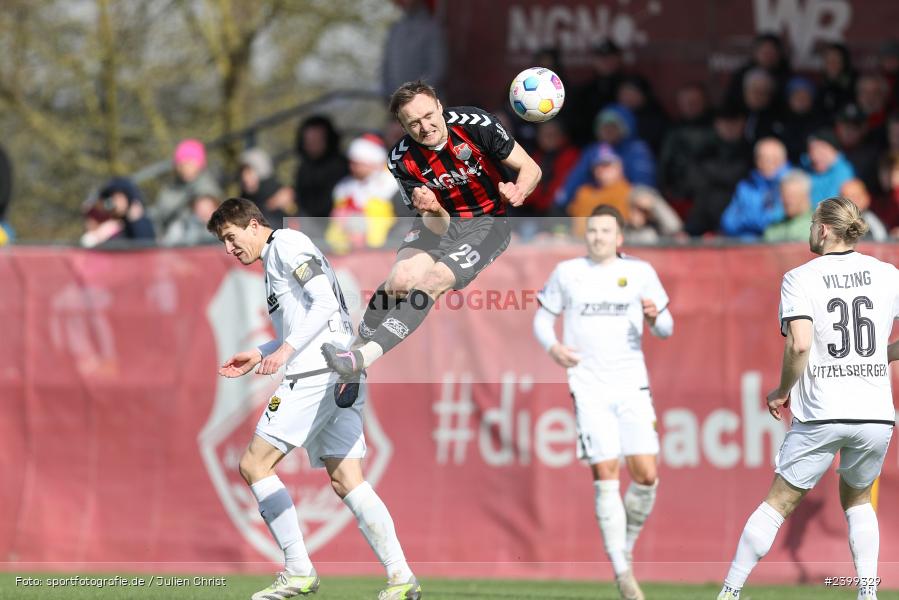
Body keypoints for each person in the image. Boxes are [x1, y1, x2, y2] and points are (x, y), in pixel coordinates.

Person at [207, 198, 421, 600]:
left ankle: (298, 570)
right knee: (346, 479)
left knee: (254, 464)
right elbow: (308, 318)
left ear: (254, 225)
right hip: (339, 368)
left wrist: (286, 352)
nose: (229, 249)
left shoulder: (286, 244)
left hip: (315, 372)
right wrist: (261, 352)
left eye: (231, 238)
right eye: (223, 242)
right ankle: (401, 577)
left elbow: (324, 302)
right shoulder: (276, 256)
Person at [717, 196, 899, 600]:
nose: (810, 230)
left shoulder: (800, 277)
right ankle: (868, 593)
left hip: (823, 411)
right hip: (875, 414)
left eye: (813, 223)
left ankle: (729, 593)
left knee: (777, 504)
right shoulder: (888, 274)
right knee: (858, 501)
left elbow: (799, 344)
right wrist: (880, 355)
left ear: (823, 229)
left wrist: (782, 391)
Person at [320, 80, 541, 386]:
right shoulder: (401, 159)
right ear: (402, 126)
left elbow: (531, 169)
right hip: (439, 220)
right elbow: (439, 225)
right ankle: (357, 348)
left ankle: (361, 357)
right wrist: (434, 208)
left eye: (428, 116)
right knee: (400, 281)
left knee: (435, 279)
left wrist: (519, 190)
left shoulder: (477, 125)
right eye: (414, 123)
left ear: (439, 106)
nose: (425, 127)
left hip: (488, 223)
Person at [534, 205, 673, 600]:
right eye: (592, 230)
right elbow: (542, 320)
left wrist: (655, 318)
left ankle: (624, 548)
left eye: (605, 231)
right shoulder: (568, 272)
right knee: (606, 472)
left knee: (646, 475)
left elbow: (666, 328)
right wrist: (554, 347)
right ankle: (621, 571)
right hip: (588, 386)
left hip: (631, 385)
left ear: (619, 237)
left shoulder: (641, 272)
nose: (597, 237)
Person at [763, 169, 814, 242]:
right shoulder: (773, 229)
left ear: (806, 196)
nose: (787, 201)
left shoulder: (819, 227)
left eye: (792, 196)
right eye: (784, 196)